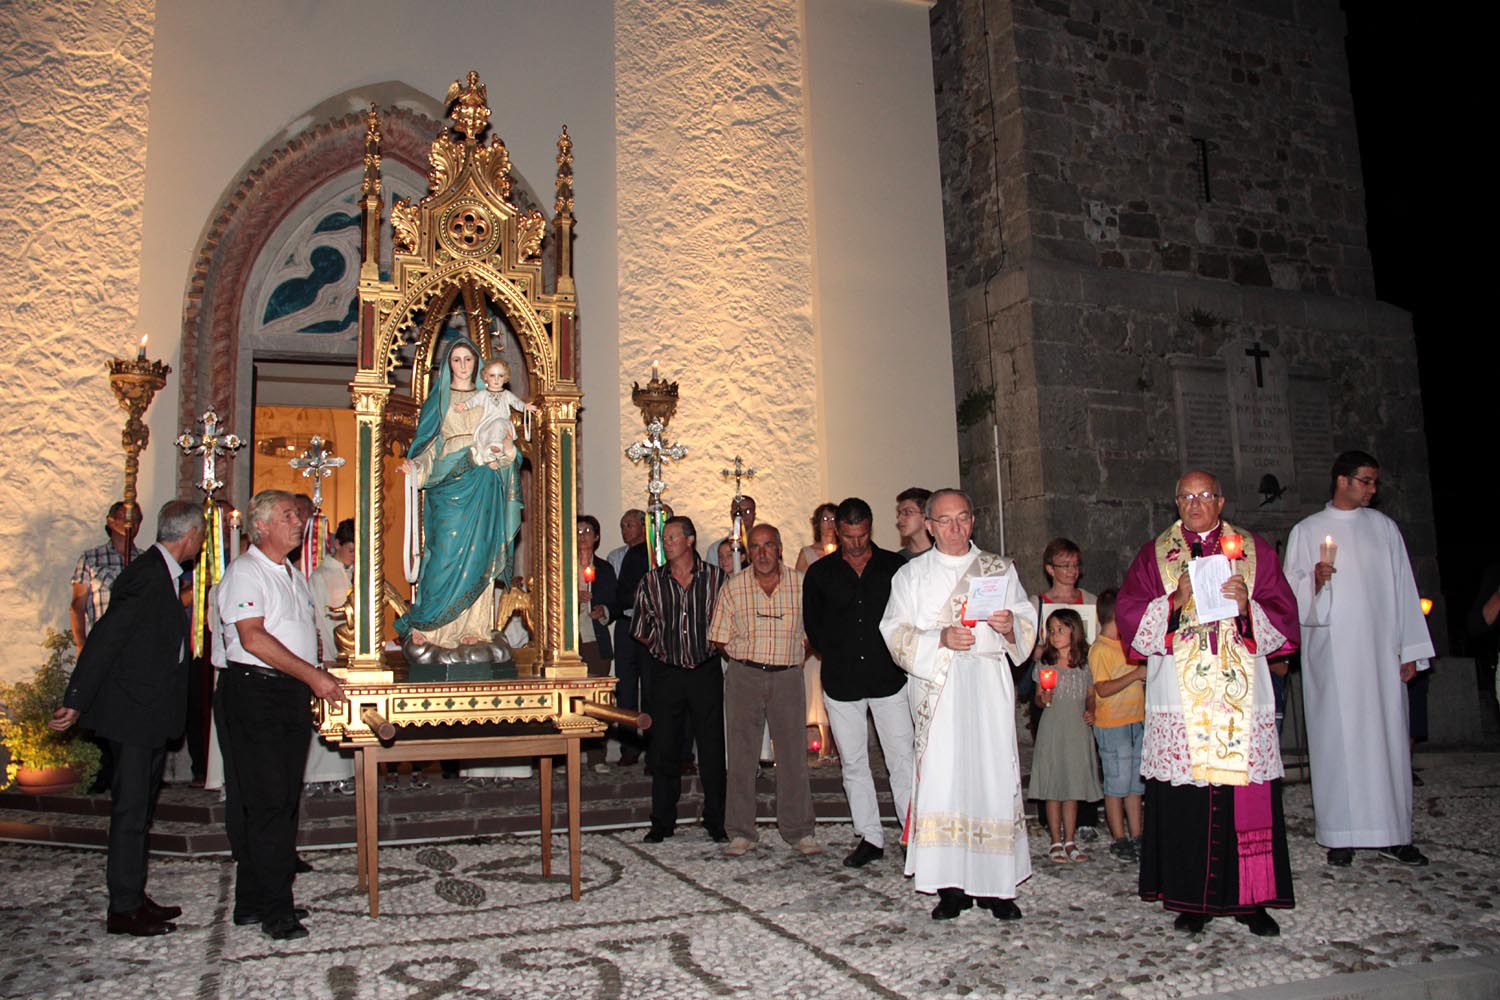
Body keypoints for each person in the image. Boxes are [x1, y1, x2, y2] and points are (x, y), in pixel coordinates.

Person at [1116, 470, 1298, 937]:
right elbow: (1130, 619)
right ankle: (1190, 897)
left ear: (1220, 501)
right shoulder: (1155, 555)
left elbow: (1284, 616)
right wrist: (1173, 601)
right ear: (1176, 503)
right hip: (1181, 698)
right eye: (1186, 496)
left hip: (1241, 695)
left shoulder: (1255, 551)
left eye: (1204, 495)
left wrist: (1248, 607)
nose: (1195, 503)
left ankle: (1250, 899)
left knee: (1247, 798)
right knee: (1187, 801)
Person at [879, 488, 1034, 922]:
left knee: (991, 776)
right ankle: (950, 887)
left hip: (986, 684)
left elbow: (1025, 622)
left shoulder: (999, 570)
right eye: (944, 520)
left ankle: (996, 886)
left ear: (972, 520)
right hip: (939, 689)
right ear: (929, 526)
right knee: (944, 779)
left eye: (963, 517)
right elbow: (894, 631)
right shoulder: (911, 576)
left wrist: (1009, 626)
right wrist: (940, 639)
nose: (955, 528)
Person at [52, 499, 203, 936]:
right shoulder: (147, 575)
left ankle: (135, 896)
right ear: (191, 536)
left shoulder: (161, 573)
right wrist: (76, 698)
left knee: (141, 812)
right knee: (131, 813)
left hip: (148, 711)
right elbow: (107, 636)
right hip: (133, 712)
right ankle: (123, 908)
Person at [1284, 450, 1436, 868]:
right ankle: (1341, 833)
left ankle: (1395, 833)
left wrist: (1410, 650)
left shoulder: (1384, 529)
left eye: (1374, 482)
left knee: (1388, 740)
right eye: (1366, 480)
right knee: (1337, 741)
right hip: (1333, 658)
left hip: (1380, 655)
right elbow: (1291, 594)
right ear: (1342, 480)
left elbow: (1404, 590)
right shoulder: (1306, 531)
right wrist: (1315, 583)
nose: (1372, 489)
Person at [216, 489, 347, 941]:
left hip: (286, 691)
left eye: (298, 515)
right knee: (268, 802)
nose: (299, 522)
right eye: (288, 515)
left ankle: (253, 901)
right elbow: (252, 638)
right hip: (257, 692)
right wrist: (313, 677)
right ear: (262, 525)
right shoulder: (246, 571)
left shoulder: (290, 572)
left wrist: (317, 671)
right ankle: (277, 910)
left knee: (280, 799)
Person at [803, 496, 913, 869]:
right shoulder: (820, 573)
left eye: (862, 535)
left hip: (888, 678)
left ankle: (911, 835)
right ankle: (870, 837)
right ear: (837, 531)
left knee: (901, 760)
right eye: (849, 536)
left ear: (870, 528)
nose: (856, 543)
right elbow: (814, 627)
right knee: (853, 763)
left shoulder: (895, 567)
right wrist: (841, 649)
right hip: (842, 681)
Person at [395, 336, 524, 650]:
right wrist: (416, 466)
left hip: (482, 480)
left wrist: (507, 452)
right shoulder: (439, 400)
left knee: (479, 553)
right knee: (442, 552)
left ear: (478, 364)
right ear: (448, 365)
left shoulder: (490, 398)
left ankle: (473, 628)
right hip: (447, 482)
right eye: (457, 359)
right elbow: (429, 445)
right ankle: (432, 626)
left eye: (468, 359)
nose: (463, 366)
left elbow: (505, 441)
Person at [708, 524, 821, 857]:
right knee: (741, 757)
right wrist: (744, 660)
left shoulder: (801, 585)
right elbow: (719, 636)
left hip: (787, 678)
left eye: (768, 545)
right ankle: (741, 831)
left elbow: (815, 630)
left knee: (793, 756)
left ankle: (799, 831)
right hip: (744, 676)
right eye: (755, 547)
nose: (762, 553)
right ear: (748, 552)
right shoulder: (733, 587)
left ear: (780, 548)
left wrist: (798, 650)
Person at [632, 515, 727, 844]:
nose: (667, 543)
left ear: (690, 540)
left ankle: (717, 819)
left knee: (712, 748)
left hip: (705, 671)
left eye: (673, 537)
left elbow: (729, 620)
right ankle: (662, 821)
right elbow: (640, 627)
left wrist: (714, 643)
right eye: (665, 538)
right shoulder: (651, 581)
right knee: (663, 748)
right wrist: (662, 645)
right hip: (667, 672)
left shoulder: (716, 578)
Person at [1030, 608, 1102, 863]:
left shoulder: (1084, 664)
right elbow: (1039, 700)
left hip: (1076, 728)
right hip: (1053, 727)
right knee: (1054, 785)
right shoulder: (1046, 664)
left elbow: (1090, 694)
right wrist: (1044, 697)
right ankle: (1055, 840)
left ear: (1074, 631)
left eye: (1061, 629)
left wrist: (1091, 711)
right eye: (1051, 630)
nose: (1055, 635)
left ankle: (1070, 840)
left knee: (1072, 785)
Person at [1088, 588, 1145, 862]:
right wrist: (1136, 675)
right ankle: (1119, 837)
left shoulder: (1128, 646)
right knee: (1116, 783)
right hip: (1113, 725)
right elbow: (1102, 688)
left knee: (1135, 784)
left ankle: (1138, 834)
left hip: (1136, 721)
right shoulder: (1100, 650)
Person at [304, 518, 356, 795]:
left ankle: (345, 774)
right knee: (326, 713)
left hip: (353, 655)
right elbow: (320, 619)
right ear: (337, 545)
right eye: (350, 550)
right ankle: (316, 775)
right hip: (331, 654)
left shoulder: (357, 573)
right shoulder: (320, 576)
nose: (354, 556)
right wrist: (325, 653)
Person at [795, 502, 839, 764]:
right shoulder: (807, 553)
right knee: (814, 683)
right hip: (816, 623)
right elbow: (799, 589)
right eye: (824, 518)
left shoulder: (846, 552)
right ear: (817, 523)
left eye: (833, 518)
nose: (829, 524)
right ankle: (821, 741)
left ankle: (835, 744)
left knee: (836, 681)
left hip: (838, 623)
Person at [70, 500, 144, 651]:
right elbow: (77, 606)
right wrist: (81, 647)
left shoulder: (146, 561)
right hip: (103, 646)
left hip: (137, 647)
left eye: (136, 518)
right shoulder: (91, 558)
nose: (131, 522)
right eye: (125, 517)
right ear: (111, 521)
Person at [577, 515, 619, 770]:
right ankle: (566, 755)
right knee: (569, 702)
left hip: (595, 639)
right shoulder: (562, 566)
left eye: (587, 531)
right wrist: (573, 599)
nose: (582, 536)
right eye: (578, 531)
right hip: (571, 643)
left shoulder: (604, 569)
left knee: (596, 700)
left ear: (597, 537)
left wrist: (603, 610)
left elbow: (614, 602)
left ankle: (596, 757)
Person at [459, 357, 536, 469]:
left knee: (499, 426)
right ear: (485, 377)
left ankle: (497, 453)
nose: (496, 379)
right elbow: (472, 401)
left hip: (503, 424)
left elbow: (516, 403)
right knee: (484, 438)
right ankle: (489, 458)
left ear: (505, 378)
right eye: (492, 375)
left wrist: (525, 407)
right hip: (487, 424)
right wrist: (464, 405)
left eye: (500, 376)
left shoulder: (506, 394)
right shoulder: (483, 394)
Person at [894, 487, 932, 561]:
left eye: (908, 512)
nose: (900, 518)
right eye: (899, 513)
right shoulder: (897, 560)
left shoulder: (944, 555)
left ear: (926, 516)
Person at [607, 509, 646, 576]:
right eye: (622, 527)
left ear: (644, 527)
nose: (624, 531)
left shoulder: (654, 554)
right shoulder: (615, 557)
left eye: (629, 525)